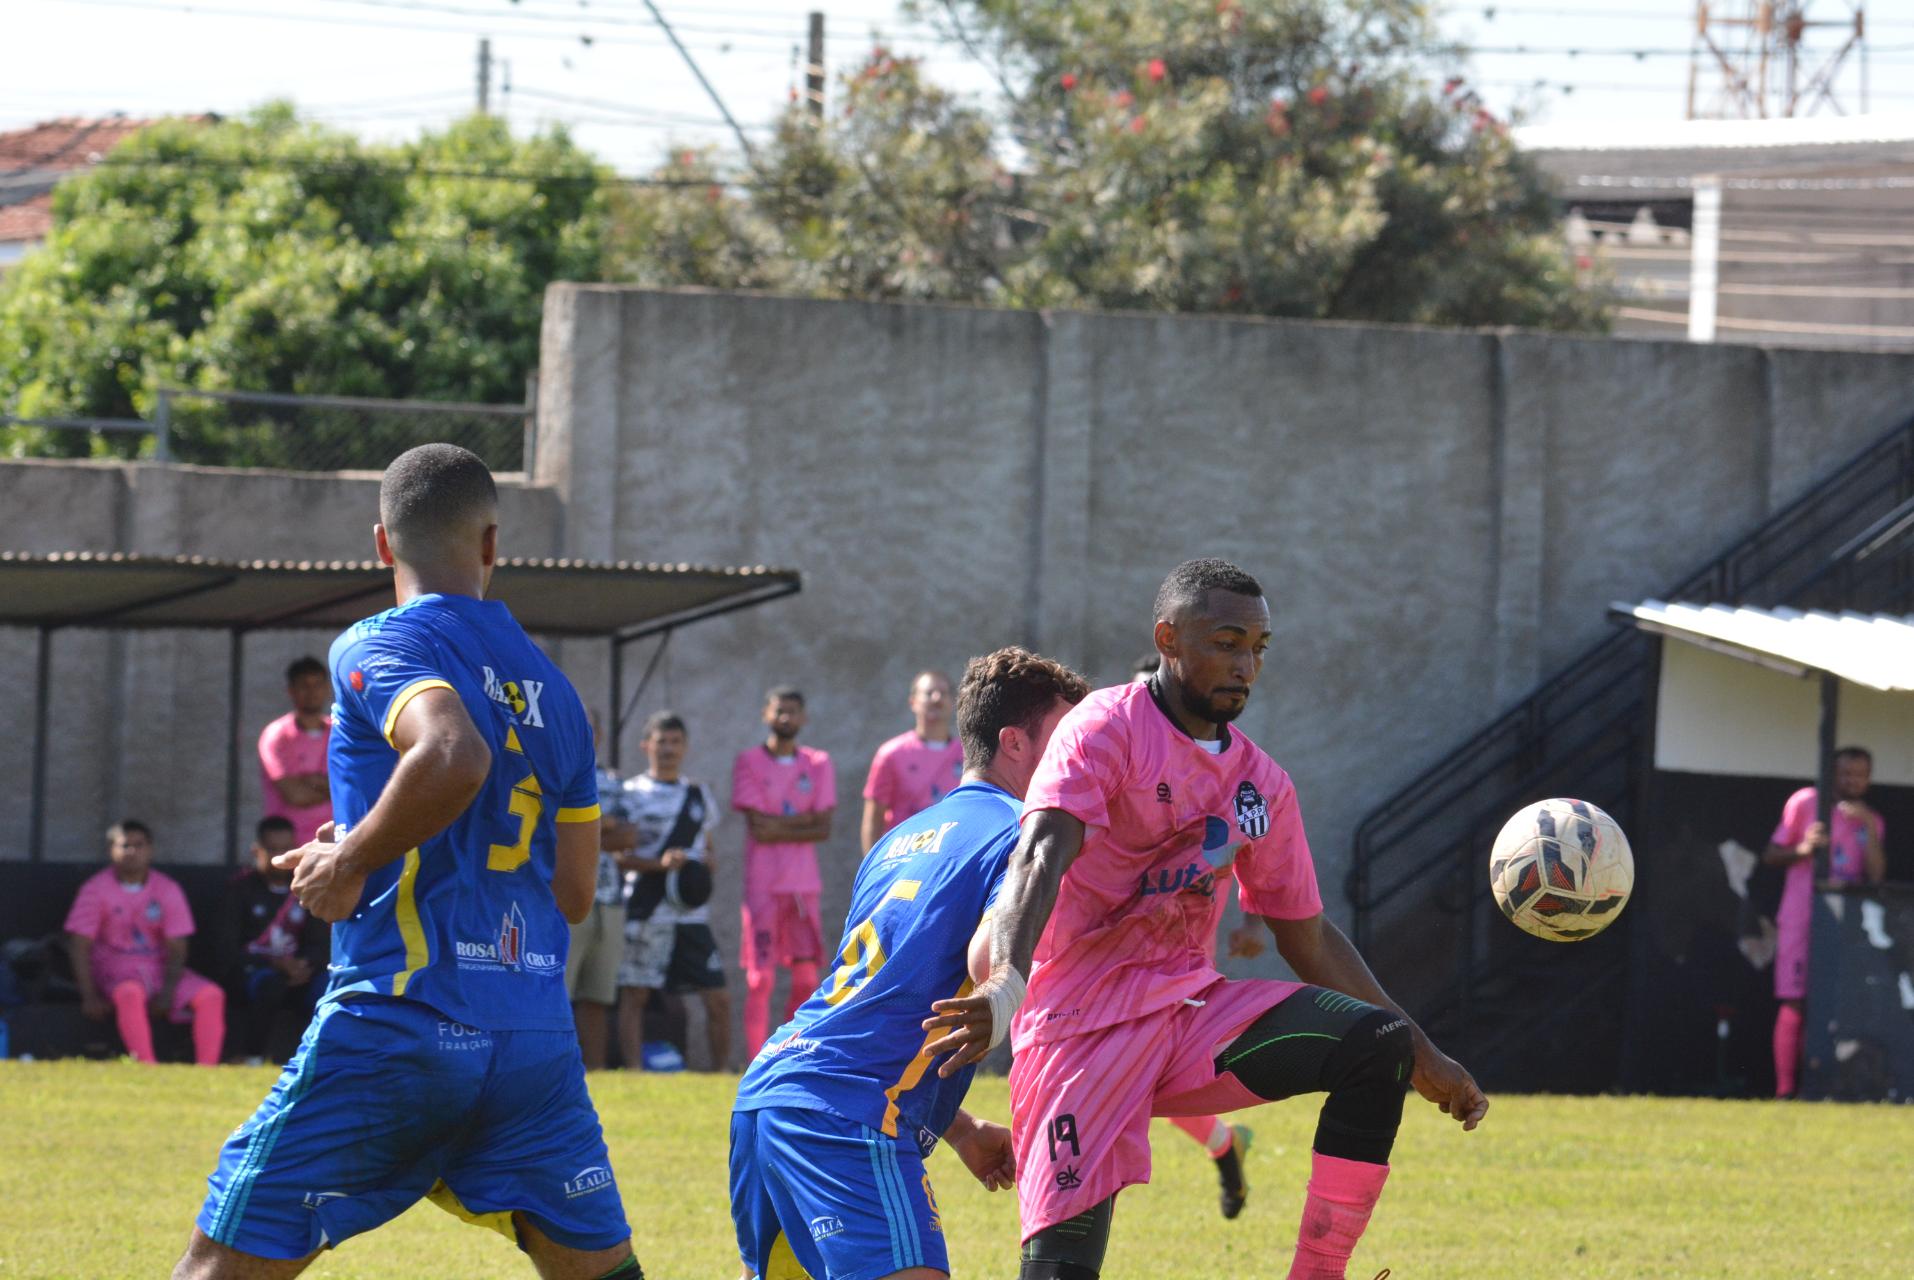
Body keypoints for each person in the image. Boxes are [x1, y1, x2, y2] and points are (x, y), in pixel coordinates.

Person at [924, 558, 1489, 1280]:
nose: (1245, 664)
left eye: (1258, 647)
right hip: (1078, 1030)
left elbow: (1306, 936)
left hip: (1192, 1017)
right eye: (1225, 641)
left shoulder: (1262, 784)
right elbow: (1038, 858)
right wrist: (1004, 985)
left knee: (1377, 1041)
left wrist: (1424, 1055)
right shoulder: (1104, 726)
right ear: (1168, 638)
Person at [174, 444, 640, 1280]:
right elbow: (572, 892)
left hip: (405, 1019)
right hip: (532, 1038)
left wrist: (351, 855)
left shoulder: (375, 644)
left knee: (218, 1265)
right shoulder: (559, 693)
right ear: (493, 544)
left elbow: (454, 754)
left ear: (382, 544)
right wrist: (382, 849)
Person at [731, 646, 1089, 1280]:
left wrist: (958, 1127)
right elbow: (987, 960)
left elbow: (881, 997)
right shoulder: (1023, 834)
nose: (1080, 754)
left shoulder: (901, 838)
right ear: (1013, 742)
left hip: (770, 1095)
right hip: (845, 1117)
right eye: (1066, 737)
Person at [1132, 651, 1258, 1219]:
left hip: (1185, 965)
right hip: (1117, 962)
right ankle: (1226, 1146)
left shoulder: (1226, 773)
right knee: (1142, 1089)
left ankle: (1225, 1147)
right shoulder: (1115, 760)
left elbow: (1256, 846)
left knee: (1152, 1088)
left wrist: (1254, 920)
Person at [1763, 744, 1887, 1099]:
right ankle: (1786, 1092)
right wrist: (1803, 849)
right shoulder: (1806, 803)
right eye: (1846, 773)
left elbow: (1876, 876)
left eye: (1860, 775)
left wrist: (1868, 827)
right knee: (1794, 1000)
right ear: (1833, 774)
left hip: (1846, 923)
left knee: (1836, 1005)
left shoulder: (1872, 820)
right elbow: (1771, 854)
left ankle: (1824, 1089)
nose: (1852, 781)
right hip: (1801, 916)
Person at [617, 710, 729, 1072]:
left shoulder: (698, 795)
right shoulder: (630, 793)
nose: (668, 749)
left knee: (718, 997)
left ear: (685, 747)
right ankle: (633, 1071)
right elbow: (617, 856)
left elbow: (707, 846)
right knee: (635, 993)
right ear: (645, 745)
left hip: (692, 914)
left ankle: (721, 1075)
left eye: (675, 742)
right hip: (648, 908)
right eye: (661, 741)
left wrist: (704, 866)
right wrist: (659, 865)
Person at [65, 819, 226, 1066]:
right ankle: (146, 1067)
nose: (132, 852)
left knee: (211, 995)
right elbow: (79, 945)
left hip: (160, 971)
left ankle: (208, 1070)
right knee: (129, 993)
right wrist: (89, 995)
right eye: (125, 845)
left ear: (150, 849)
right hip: (116, 971)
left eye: (139, 845)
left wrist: (169, 992)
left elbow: (177, 946)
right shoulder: (95, 889)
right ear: (111, 850)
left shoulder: (167, 888)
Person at [732, 686, 836, 1058]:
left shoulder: (818, 763)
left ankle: (790, 1058)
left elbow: (823, 828)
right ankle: (755, 1062)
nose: (786, 718)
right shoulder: (748, 761)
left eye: (793, 711)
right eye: (779, 711)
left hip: (802, 887)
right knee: (760, 979)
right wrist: (801, 822)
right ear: (766, 714)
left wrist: (781, 824)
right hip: (763, 887)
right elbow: (759, 828)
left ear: (804, 717)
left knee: (808, 978)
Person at [222, 816, 329, 1064]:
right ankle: (254, 1057)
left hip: (301, 971)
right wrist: (275, 963)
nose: (281, 856)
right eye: (272, 849)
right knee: (270, 986)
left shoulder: (307, 886)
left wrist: (304, 964)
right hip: (254, 972)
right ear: (256, 851)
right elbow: (227, 949)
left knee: (329, 989)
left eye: (286, 849)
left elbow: (321, 941)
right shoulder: (239, 890)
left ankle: (322, 1060)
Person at [568, 714, 641, 1071]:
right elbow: (550, 833)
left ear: (599, 733)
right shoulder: (555, 770)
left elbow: (629, 836)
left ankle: (595, 1073)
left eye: (590, 725)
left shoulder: (613, 781)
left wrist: (587, 827)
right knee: (558, 994)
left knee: (597, 995)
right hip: (564, 896)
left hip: (610, 899)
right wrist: (603, 824)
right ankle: (558, 1069)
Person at [861, 670, 965, 852]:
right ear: (913, 702)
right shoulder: (891, 753)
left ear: (953, 702)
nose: (936, 698)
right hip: (905, 859)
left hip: (952, 858)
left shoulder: (968, 755)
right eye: (928, 693)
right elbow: (873, 821)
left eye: (943, 693)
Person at [258, 656, 333, 845]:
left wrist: (313, 782)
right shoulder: (277, 735)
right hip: (288, 846)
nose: (312, 691)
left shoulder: (339, 731)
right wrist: (332, 786)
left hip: (335, 843)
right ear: (291, 691)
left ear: (327, 688)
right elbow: (296, 795)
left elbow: (354, 784)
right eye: (304, 685)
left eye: (317, 684)